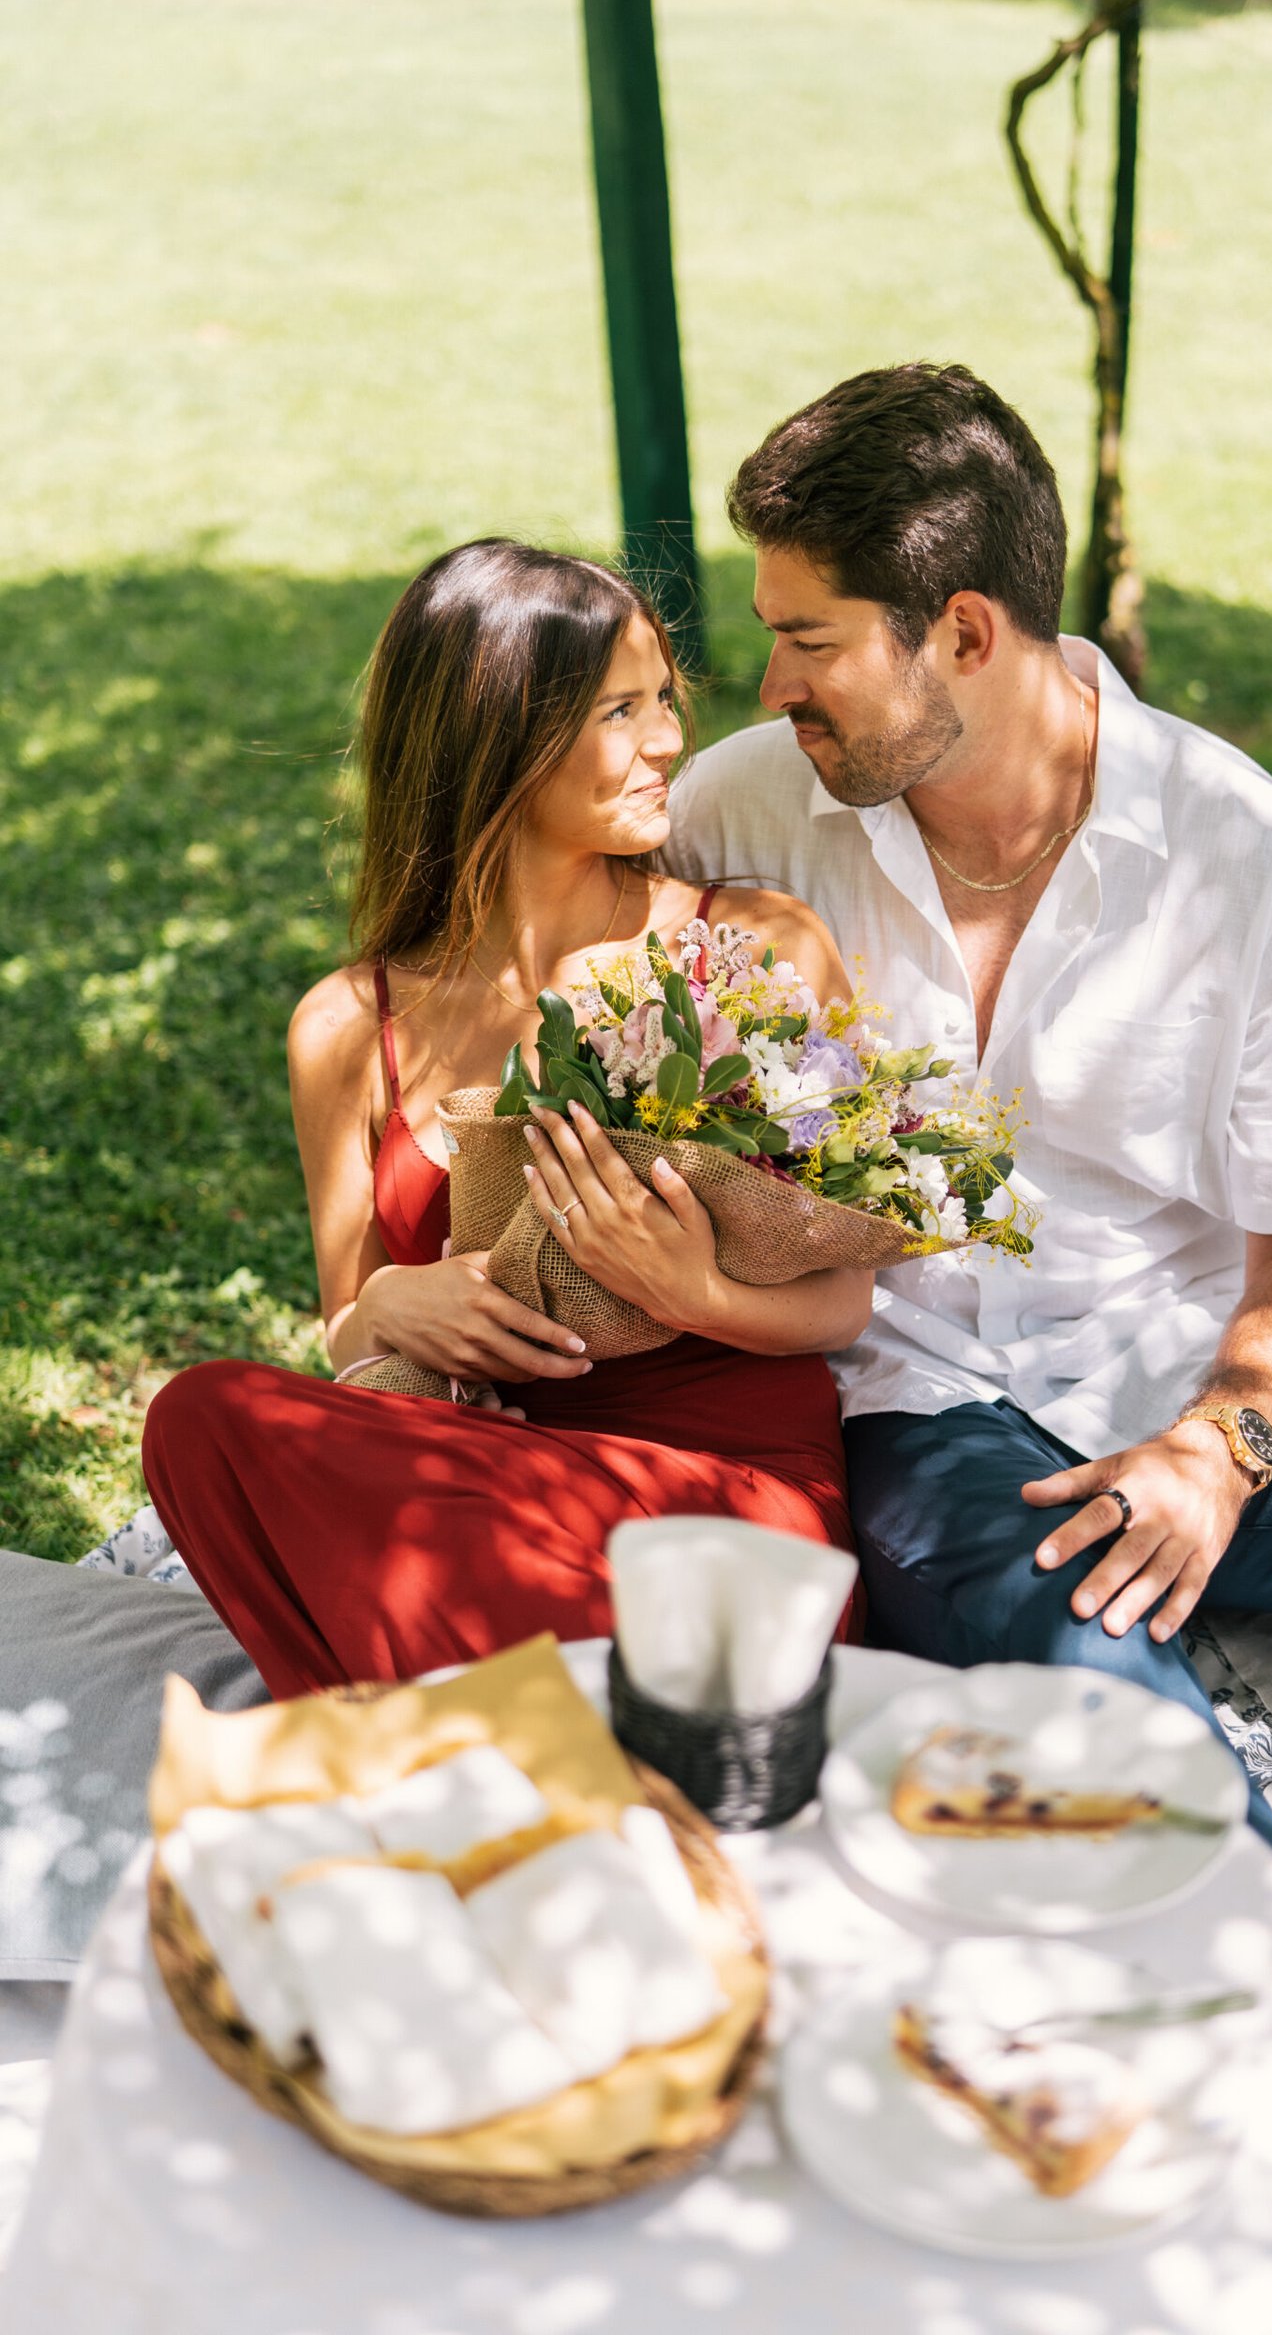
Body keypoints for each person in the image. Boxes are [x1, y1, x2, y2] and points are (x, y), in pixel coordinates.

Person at [665, 363, 1272, 2328]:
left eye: (807, 640)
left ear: (969, 638)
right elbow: (559, 996)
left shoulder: (1246, 858)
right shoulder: (745, 817)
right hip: (911, 1394)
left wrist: (1217, 1450)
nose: (773, 686)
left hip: (1189, 1368)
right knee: (1095, 1674)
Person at [143, 541, 870, 1700]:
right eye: (621, 711)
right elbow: (345, 1327)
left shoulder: (754, 946)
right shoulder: (348, 1027)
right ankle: (568, 1723)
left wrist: (695, 1293)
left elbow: (843, 1298)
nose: (670, 742)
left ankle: (477, 1725)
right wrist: (387, 1304)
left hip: (718, 1499)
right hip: (484, 1482)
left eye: (662, 702)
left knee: (434, 1563)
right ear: (499, 736)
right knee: (201, 1419)